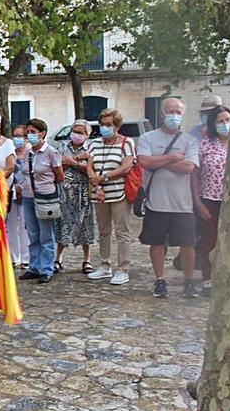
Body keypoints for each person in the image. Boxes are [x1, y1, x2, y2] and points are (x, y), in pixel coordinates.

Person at [137, 98, 200, 298]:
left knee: (188, 245)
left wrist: (158, 161)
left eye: (178, 112)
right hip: (157, 202)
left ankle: (188, 281)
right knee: (156, 244)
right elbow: (144, 161)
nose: (174, 115)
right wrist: (173, 158)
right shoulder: (148, 138)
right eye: (170, 111)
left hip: (183, 204)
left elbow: (188, 168)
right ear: (162, 114)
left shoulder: (190, 141)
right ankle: (160, 280)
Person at [86, 109, 136, 285]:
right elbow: (89, 166)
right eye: (102, 124)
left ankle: (123, 268)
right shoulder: (93, 144)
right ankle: (105, 265)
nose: (104, 128)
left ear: (117, 126)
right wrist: (97, 183)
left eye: (109, 125)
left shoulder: (126, 143)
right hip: (99, 193)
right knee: (103, 230)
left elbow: (126, 167)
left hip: (119, 192)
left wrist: (105, 177)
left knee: (122, 231)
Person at [18, 118, 64, 284]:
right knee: (33, 233)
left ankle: (46, 268)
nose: (30, 135)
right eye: (28, 132)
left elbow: (59, 175)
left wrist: (46, 186)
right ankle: (34, 267)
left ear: (42, 134)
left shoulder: (51, 152)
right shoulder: (27, 152)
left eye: (33, 132)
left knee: (46, 234)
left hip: (45, 197)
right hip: (29, 197)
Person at [193, 105, 230, 297]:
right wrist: (197, 201)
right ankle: (208, 279)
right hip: (210, 199)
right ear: (213, 124)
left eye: (227, 120)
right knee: (209, 240)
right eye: (220, 121)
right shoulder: (206, 144)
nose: (225, 125)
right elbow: (195, 174)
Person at [54, 120, 95, 273]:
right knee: (62, 224)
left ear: (87, 134)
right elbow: (59, 164)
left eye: (80, 132)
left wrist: (73, 161)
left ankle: (87, 260)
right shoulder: (63, 146)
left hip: (83, 191)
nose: (76, 135)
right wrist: (78, 161)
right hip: (65, 191)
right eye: (74, 131)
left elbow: (91, 168)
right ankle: (58, 258)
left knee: (85, 224)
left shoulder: (91, 148)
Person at [7, 125, 31, 269]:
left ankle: (26, 257)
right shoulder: (10, 154)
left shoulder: (29, 154)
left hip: (26, 192)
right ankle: (13, 256)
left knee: (25, 226)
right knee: (11, 225)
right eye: (14, 136)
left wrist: (22, 186)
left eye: (19, 136)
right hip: (10, 192)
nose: (17, 139)